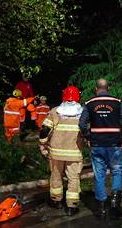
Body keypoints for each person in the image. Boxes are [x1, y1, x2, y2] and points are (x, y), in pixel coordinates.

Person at [79, 79, 122, 218]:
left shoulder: (89, 104)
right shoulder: (117, 102)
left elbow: (82, 124)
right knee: (117, 171)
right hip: (114, 143)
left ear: (96, 89)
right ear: (107, 88)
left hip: (97, 144)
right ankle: (114, 204)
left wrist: (89, 137)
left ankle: (101, 208)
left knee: (99, 174)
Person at [38, 86, 84, 216]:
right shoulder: (82, 113)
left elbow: (44, 131)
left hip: (56, 153)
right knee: (73, 178)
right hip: (74, 154)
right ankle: (72, 206)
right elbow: (87, 132)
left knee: (56, 176)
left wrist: (42, 144)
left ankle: (56, 201)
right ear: (77, 97)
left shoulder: (55, 112)